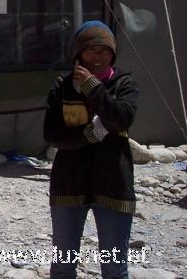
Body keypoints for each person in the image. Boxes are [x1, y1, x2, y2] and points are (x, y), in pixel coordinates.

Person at [44, 20, 139, 279]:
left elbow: (120, 119)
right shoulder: (62, 88)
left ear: (113, 54)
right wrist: (88, 134)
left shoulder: (124, 85)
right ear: (78, 53)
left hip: (113, 182)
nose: (98, 57)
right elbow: (53, 135)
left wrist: (94, 88)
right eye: (91, 50)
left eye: (104, 51)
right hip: (69, 182)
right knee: (64, 262)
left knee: (114, 266)